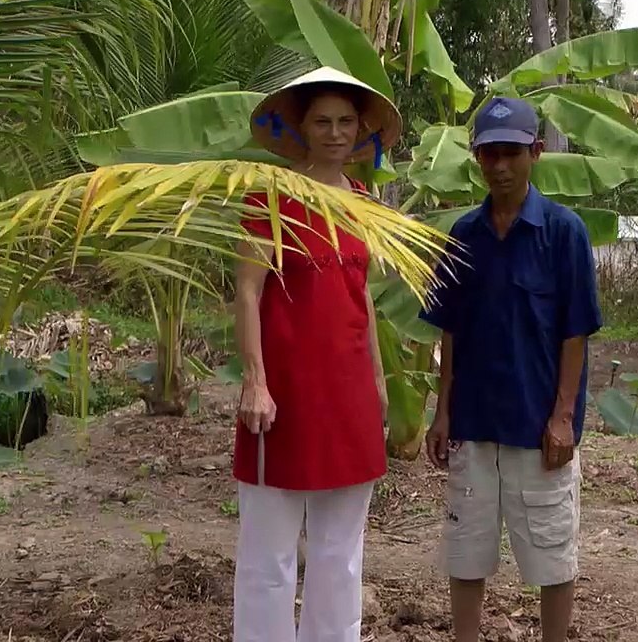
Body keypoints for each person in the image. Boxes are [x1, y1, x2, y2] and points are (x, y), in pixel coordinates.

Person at [418, 96, 603, 642]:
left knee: (552, 555)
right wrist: (442, 411)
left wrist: (564, 417)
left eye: (511, 153)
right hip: (474, 423)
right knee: (466, 552)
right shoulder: (464, 236)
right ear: (476, 157)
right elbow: (450, 330)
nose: (499, 165)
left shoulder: (564, 234)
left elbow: (576, 332)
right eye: (488, 153)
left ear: (536, 153)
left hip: (536, 425)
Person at [230, 66, 400, 642]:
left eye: (346, 121)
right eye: (322, 121)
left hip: (349, 393)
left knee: (341, 552)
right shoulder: (271, 195)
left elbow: (363, 297)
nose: (334, 132)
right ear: (300, 126)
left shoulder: (364, 202)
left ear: (360, 129)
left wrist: (378, 380)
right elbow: (248, 288)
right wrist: (255, 379)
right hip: (283, 394)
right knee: (268, 554)